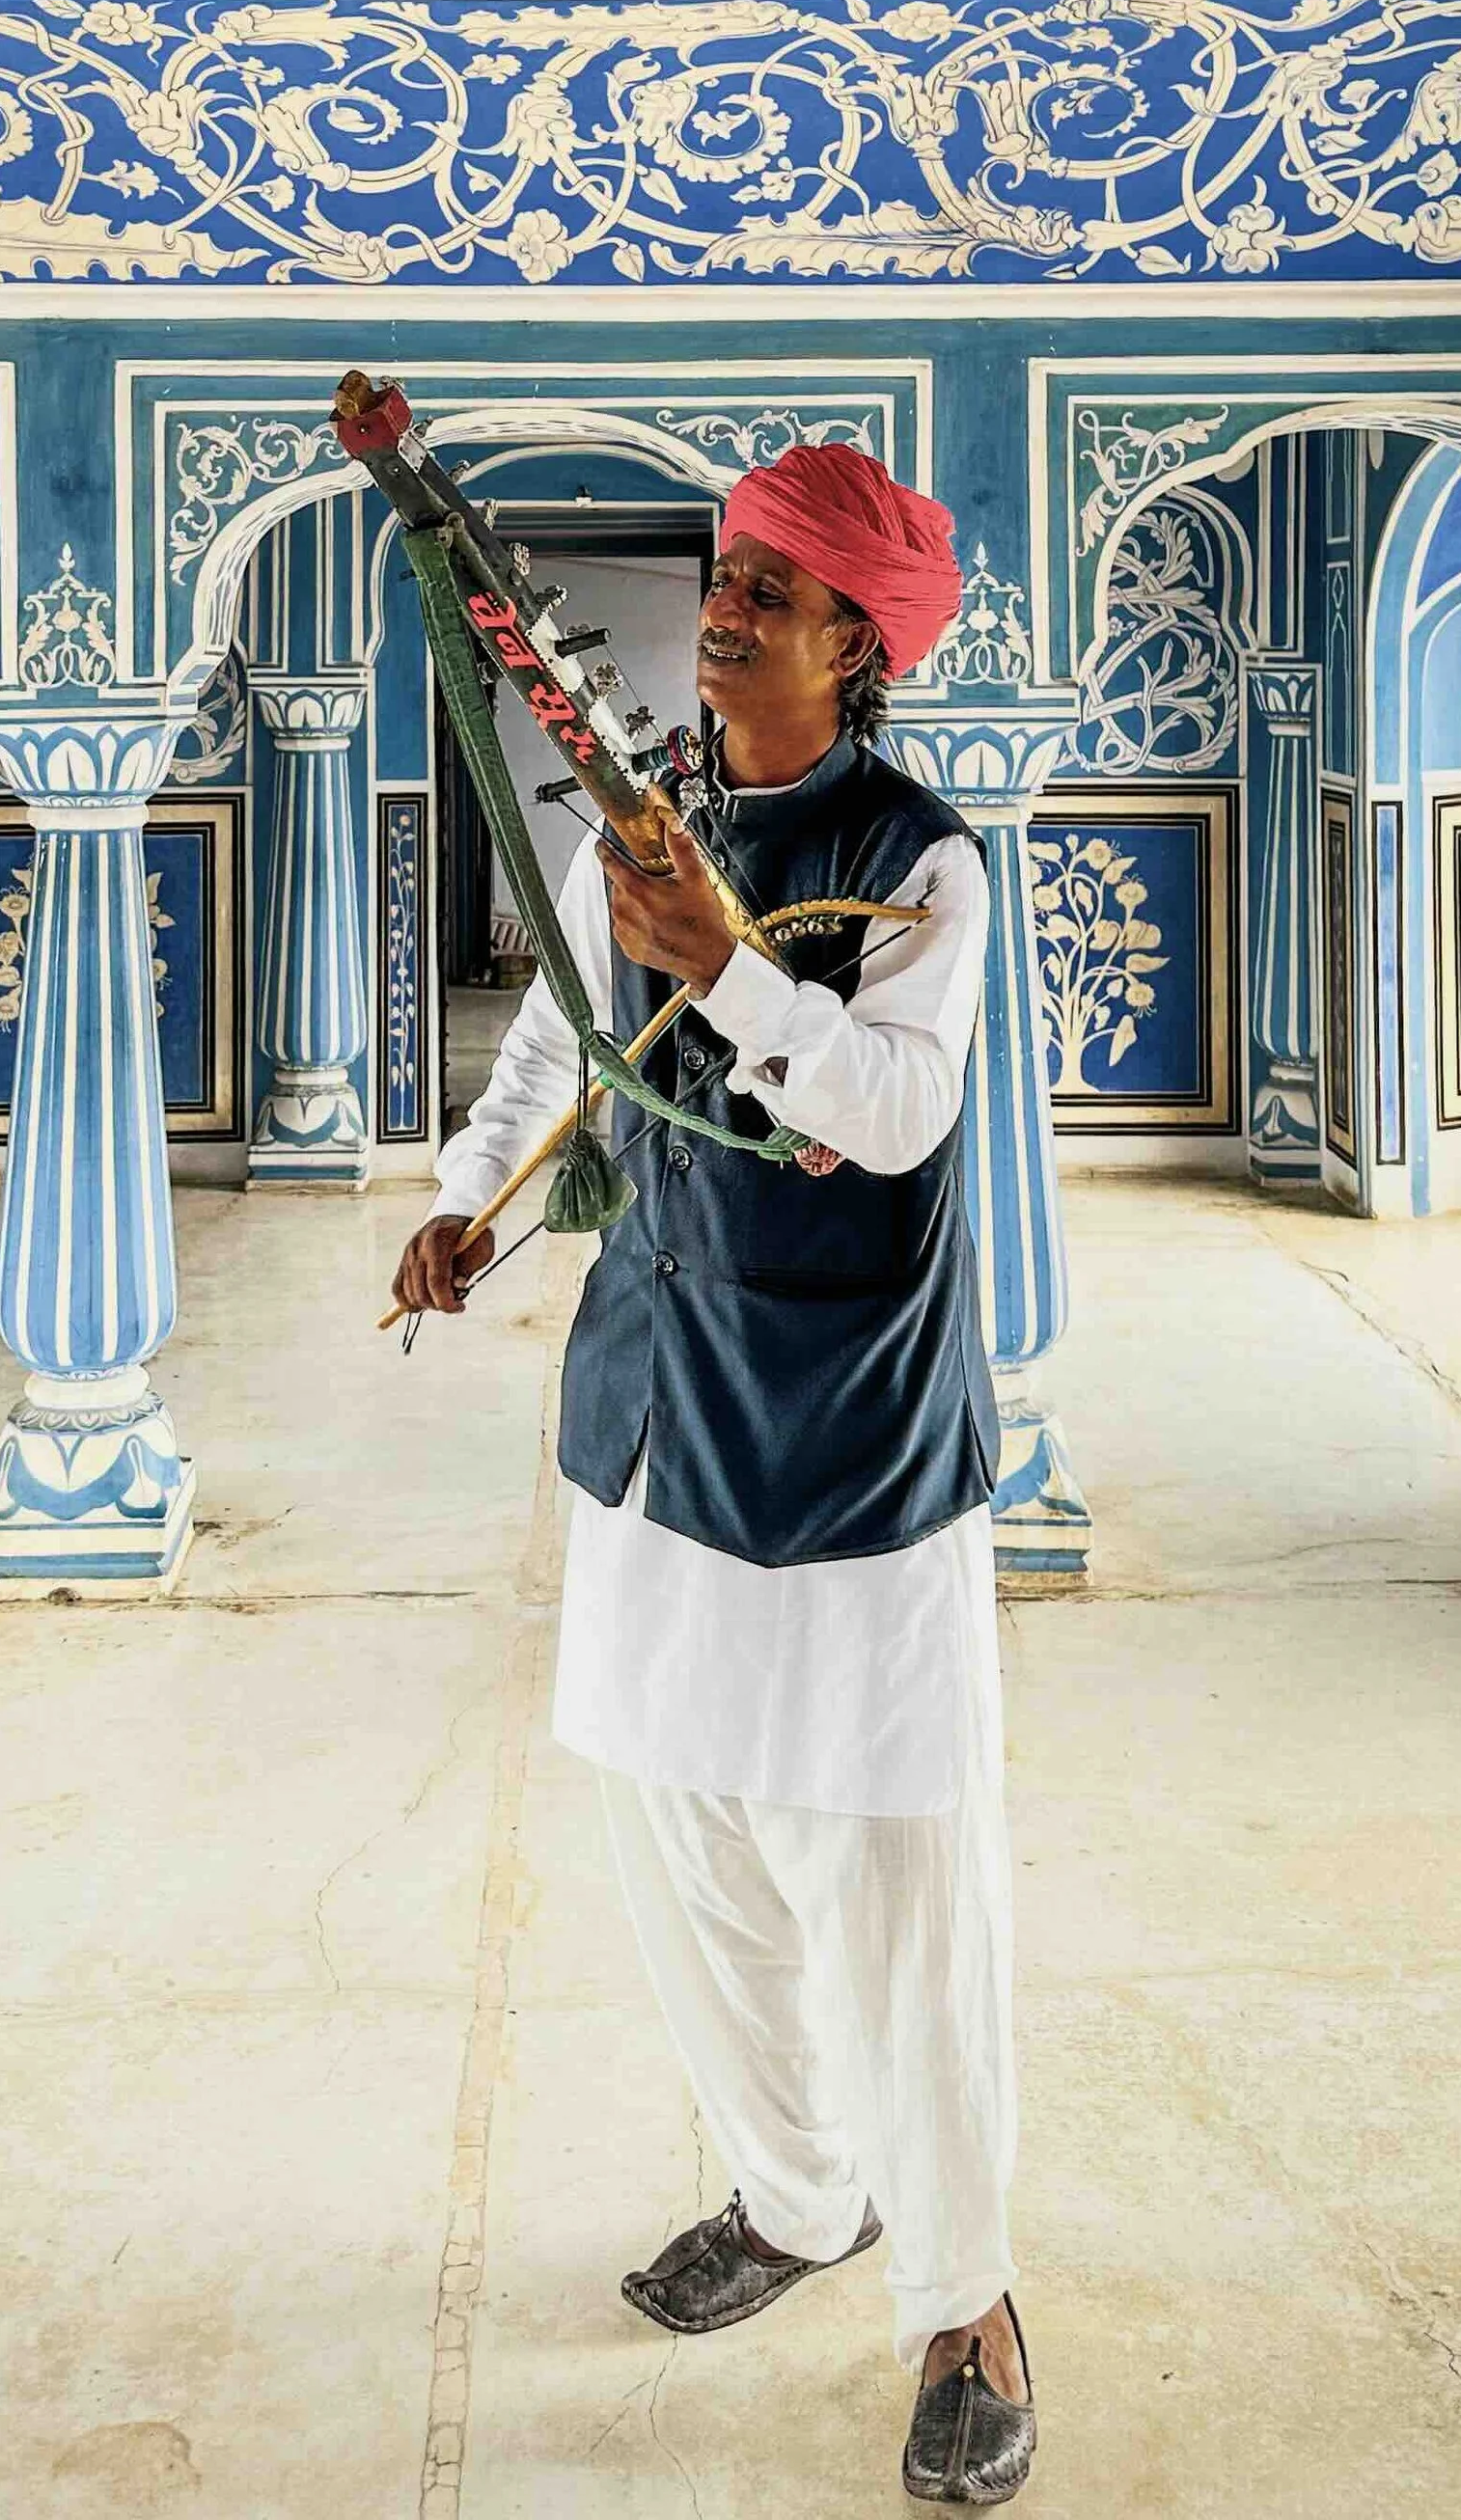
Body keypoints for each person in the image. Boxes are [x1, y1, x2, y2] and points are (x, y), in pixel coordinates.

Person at [394, 443, 1034, 2506]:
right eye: (727, 571)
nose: (729, 602)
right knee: (676, 1826)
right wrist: (467, 1202)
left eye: (773, 584)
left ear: (858, 639)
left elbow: (900, 1108)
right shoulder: (645, 815)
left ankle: (967, 2300)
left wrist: (728, 969)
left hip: (843, 1429)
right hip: (655, 1403)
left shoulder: (922, 857)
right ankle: (792, 2188)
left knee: (885, 1880)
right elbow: (551, 1049)